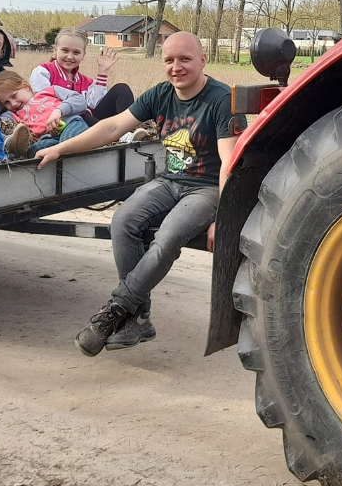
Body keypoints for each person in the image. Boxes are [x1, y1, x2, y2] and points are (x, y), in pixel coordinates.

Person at [33, 32, 247, 356]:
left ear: (203, 61)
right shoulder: (161, 94)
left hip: (207, 189)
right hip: (170, 181)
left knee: (168, 236)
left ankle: (116, 311)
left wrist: (227, 216)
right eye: (169, 60)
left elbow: (230, 163)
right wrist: (61, 148)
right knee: (123, 220)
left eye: (185, 59)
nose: (176, 67)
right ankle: (139, 317)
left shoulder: (223, 100)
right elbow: (111, 127)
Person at [28, 28, 134, 123]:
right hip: (64, 121)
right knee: (81, 116)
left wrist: (103, 72)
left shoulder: (86, 82)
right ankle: (110, 133)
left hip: (92, 120)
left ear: (83, 55)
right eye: (65, 50)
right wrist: (77, 108)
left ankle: (127, 128)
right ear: (55, 50)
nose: (69, 56)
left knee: (121, 89)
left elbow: (94, 104)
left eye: (76, 53)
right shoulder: (43, 72)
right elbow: (43, 100)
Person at [0, 70, 89, 157]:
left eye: (14, 96)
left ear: (26, 86)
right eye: (6, 102)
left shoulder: (49, 91)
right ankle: (59, 150)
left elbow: (79, 100)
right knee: (34, 149)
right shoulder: (13, 115)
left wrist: (59, 111)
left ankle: (64, 151)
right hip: (48, 137)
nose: (13, 104)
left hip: (69, 124)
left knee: (69, 139)